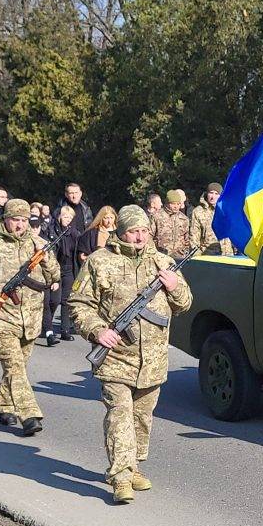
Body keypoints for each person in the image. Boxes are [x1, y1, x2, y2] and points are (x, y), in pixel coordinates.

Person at [69, 204, 192, 504]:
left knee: (142, 417)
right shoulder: (100, 262)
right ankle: (121, 476)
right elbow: (78, 303)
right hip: (115, 357)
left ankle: (133, 465)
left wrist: (175, 287)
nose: (139, 237)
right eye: (133, 231)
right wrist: (97, 330)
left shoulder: (163, 262)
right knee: (120, 414)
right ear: (121, 232)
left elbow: (186, 303)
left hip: (152, 360)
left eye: (143, 231)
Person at [0, 198, 60, 435]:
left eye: (24, 220)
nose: (19, 225)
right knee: (14, 366)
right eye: (15, 220)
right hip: (1, 317)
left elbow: (55, 277)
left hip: (31, 318)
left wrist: (46, 261)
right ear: (5, 219)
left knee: (17, 368)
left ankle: (3, 405)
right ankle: (29, 414)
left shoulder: (39, 243)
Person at [42, 204, 79, 345]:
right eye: (65, 216)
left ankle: (65, 330)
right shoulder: (52, 231)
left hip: (69, 269)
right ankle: (46, 326)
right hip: (54, 269)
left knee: (66, 300)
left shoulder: (75, 234)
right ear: (59, 217)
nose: (67, 219)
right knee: (53, 300)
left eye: (70, 217)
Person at [189, 184, 234, 255]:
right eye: (211, 193)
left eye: (216, 194)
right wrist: (197, 255)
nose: (213, 197)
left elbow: (233, 232)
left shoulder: (226, 211)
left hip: (228, 255)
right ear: (207, 194)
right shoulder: (198, 211)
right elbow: (193, 237)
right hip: (208, 256)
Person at [150, 190, 190, 259]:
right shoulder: (156, 216)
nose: (176, 206)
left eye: (178, 204)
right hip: (161, 256)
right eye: (173, 204)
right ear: (167, 203)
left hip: (179, 256)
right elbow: (149, 237)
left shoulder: (184, 219)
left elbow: (186, 239)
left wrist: (185, 251)